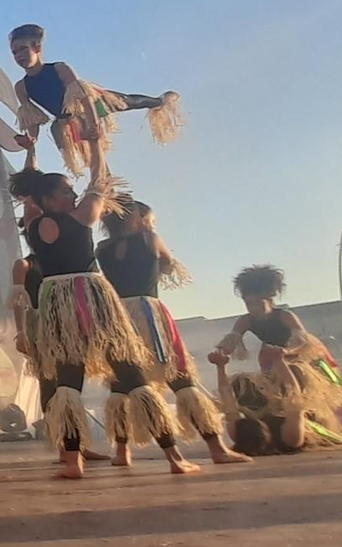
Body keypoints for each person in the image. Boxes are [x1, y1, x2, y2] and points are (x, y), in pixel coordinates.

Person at [9, 140, 198, 479]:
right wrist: (96, 144)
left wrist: (32, 152)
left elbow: (29, 190)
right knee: (130, 373)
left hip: (56, 301)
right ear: (51, 200)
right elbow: (99, 183)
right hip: (91, 296)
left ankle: (71, 462)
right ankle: (174, 457)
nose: (73, 195)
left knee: (68, 382)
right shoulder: (81, 219)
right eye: (67, 191)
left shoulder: (35, 222)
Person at [97, 199, 249, 467]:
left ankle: (122, 452)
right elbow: (167, 265)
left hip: (117, 318)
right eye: (151, 220)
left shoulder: (103, 249)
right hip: (148, 313)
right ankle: (216, 448)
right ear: (139, 218)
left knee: (121, 384)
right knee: (180, 378)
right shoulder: (149, 239)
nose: (153, 225)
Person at [214, 265, 342, 453]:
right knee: (271, 387)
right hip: (272, 353)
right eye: (249, 304)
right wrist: (222, 353)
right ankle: (274, 419)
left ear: (270, 300)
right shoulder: (246, 320)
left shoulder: (285, 316)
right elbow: (232, 338)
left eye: (258, 303)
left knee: (299, 384)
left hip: (299, 352)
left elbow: (301, 339)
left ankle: (309, 423)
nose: (253, 309)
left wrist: (286, 352)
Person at [9, 24, 182, 177]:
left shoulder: (59, 69)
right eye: (14, 52)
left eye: (23, 49)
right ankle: (105, 184)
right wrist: (31, 139)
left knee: (128, 101)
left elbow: (84, 98)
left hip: (91, 106)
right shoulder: (21, 87)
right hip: (66, 121)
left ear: (37, 47)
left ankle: (159, 101)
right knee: (88, 153)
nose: (18, 56)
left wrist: (93, 124)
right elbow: (33, 121)